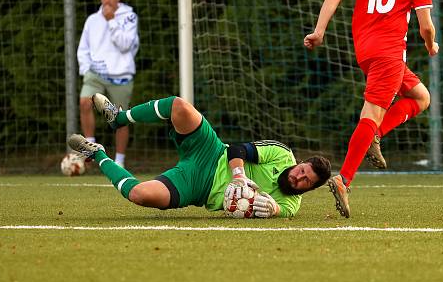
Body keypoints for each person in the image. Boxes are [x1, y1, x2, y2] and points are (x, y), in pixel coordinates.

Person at [303, 0, 439, 218]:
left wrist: (319, 31)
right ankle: (344, 179)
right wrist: (430, 45)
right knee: (371, 114)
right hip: (389, 55)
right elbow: (426, 27)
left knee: (421, 96)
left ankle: (374, 135)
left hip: (366, 53)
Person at [68, 93, 331, 218]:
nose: (298, 177)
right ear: (301, 163)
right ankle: (119, 118)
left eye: (306, 181)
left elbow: (275, 211)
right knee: (179, 106)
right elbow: (239, 149)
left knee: (140, 195)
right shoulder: (283, 155)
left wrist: (271, 209)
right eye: (302, 170)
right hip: (212, 152)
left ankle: (98, 154)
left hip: (198, 187)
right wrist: (238, 176)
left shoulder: (290, 206)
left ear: (310, 189)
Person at [77, 0, 139, 167]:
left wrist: (112, 21)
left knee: (120, 118)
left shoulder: (129, 17)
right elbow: (83, 48)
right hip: (95, 73)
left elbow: (125, 45)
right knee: (84, 102)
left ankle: (119, 162)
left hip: (121, 76)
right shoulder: (92, 20)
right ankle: (91, 148)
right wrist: (86, 69)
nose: (107, 1)